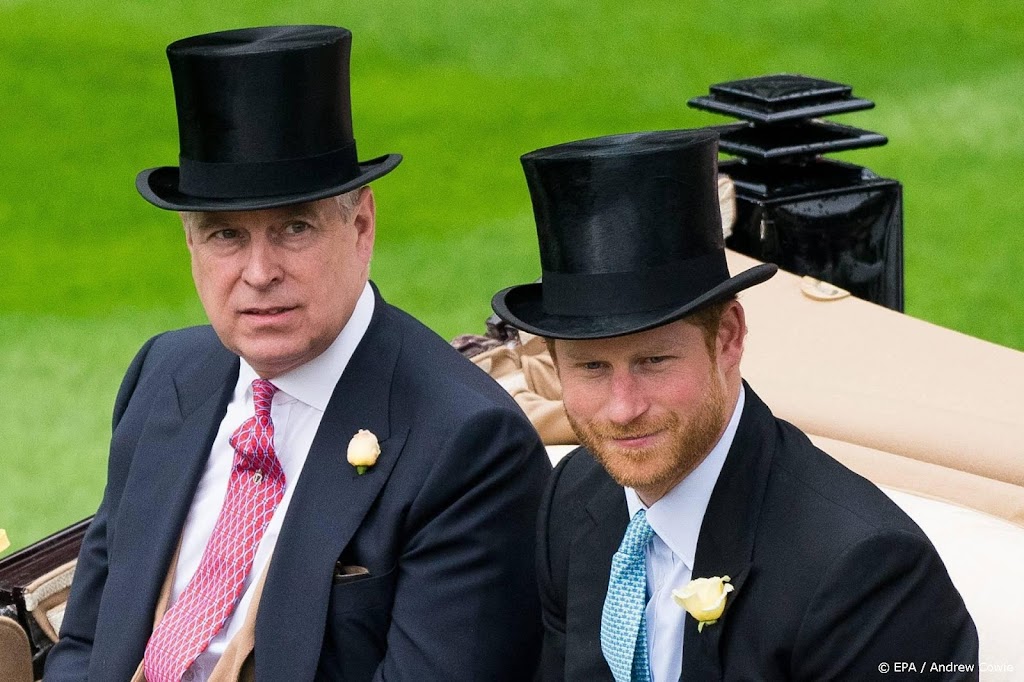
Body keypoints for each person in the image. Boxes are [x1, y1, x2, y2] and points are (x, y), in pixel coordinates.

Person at [45, 25, 550, 681]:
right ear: (190, 248)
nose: (259, 271)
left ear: (361, 225)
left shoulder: (468, 445)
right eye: (226, 235)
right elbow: (84, 645)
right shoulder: (164, 374)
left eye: (294, 227)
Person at [491, 130, 979, 681]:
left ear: (728, 338)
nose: (622, 409)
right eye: (591, 368)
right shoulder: (574, 496)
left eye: (654, 362)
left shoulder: (868, 571)